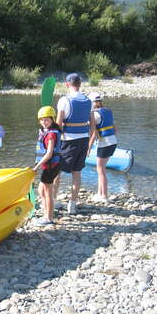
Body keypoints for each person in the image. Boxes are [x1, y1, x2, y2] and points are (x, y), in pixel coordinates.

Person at [53, 73, 96, 214]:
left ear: (67, 84)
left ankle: (53, 200)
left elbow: (58, 124)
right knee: (76, 173)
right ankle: (72, 204)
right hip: (83, 140)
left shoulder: (64, 100)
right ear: (80, 84)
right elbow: (92, 125)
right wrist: (90, 142)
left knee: (56, 171)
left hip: (68, 142)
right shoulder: (89, 101)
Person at [33, 106, 62, 226]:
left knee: (47, 191)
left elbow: (49, 153)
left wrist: (36, 166)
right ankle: (46, 212)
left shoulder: (51, 135)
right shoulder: (46, 132)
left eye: (46, 120)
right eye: (41, 120)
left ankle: (48, 218)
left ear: (52, 119)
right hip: (49, 165)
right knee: (41, 189)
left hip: (51, 166)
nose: (44, 122)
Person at [88, 92, 117, 203]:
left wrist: (89, 147)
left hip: (104, 144)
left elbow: (94, 134)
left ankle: (104, 196)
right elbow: (115, 129)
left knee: (100, 170)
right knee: (101, 168)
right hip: (113, 142)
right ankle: (100, 193)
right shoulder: (108, 110)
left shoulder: (94, 115)